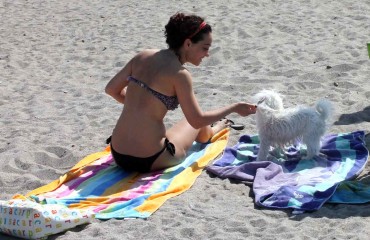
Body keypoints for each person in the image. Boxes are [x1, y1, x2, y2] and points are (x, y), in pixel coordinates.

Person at [105, 12, 257, 173]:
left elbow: (111, 89)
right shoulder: (180, 74)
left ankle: (216, 126)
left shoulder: (142, 56)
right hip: (150, 158)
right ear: (188, 44)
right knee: (199, 123)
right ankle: (216, 128)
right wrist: (234, 107)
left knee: (193, 120)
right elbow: (197, 121)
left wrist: (140, 106)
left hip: (118, 154)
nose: (207, 54)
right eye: (205, 48)